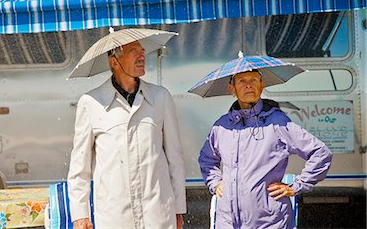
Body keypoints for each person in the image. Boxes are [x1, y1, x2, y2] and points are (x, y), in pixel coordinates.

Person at [68, 40, 187, 229]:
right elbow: (79, 167)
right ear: (114, 62)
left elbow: (175, 158)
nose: (142, 57)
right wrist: (80, 214)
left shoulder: (161, 97)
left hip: (157, 212)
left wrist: (179, 207)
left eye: (142, 51)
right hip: (114, 215)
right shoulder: (91, 102)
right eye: (134, 52)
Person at [198, 70, 332, 229]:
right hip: (227, 221)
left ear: (262, 85)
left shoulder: (277, 122)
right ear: (231, 88)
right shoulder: (222, 126)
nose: (248, 85)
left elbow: (320, 152)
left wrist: (297, 186)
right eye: (241, 81)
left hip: (269, 220)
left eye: (254, 80)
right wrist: (215, 182)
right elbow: (207, 159)